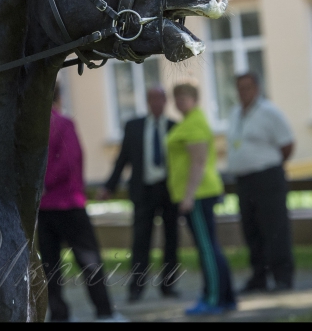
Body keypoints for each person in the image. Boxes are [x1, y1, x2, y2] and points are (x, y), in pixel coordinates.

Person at [38, 84, 127, 322]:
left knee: (50, 265)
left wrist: (38, 185)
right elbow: (70, 160)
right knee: (89, 260)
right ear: (58, 97)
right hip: (68, 204)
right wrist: (45, 182)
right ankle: (105, 313)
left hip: (44, 207)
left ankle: (59, 314)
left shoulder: (32, 126)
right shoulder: (63, 124)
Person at [99, 87, 180, 301]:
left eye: (160, 99)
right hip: (143, 190)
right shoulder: (134, 127)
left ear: (165, 101)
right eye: (152, 99)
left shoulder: (175, 127)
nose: (156, 103)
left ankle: (168, 286)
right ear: (147, 102)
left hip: (169, 190)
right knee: (141, 240)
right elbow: (122, 159)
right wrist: (109, 186)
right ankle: (136, 288)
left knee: (171, 239)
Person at [166, 82, 236, 316]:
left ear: (195, 99)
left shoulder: (194, 123)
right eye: (177, 97)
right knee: (211, 247)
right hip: (198, 194)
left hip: (198, 195)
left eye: (184, 97)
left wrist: (188, 196)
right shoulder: (188, 122)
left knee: (207, 249)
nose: (179, 102)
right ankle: (226, 298)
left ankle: (213, 298)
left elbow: (198, 161)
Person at [227, 72, 295, 293]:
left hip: (268, 177)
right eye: (239, 88)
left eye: (247, 87)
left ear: (257, 88)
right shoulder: (236, 113)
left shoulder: (269, 112)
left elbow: (287, 145)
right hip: (244, 180)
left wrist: (268, 165)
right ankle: (259, 276)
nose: (243, 92)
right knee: (251, 228)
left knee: (274, 228)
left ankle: (283, 277)